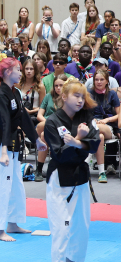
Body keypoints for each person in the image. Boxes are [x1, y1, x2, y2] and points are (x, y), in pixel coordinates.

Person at [0, 53, 45, 241]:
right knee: (1, 187)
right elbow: (4, 122)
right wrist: (4, 151)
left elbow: (23, 117)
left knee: (16, 186)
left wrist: (35, 139)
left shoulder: (15, 92)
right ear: (7, 72)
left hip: (12, 145)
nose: (21, 73)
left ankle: (12, 223)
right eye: (18, 70)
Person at [44, 79, 100, 262]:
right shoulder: (52, 121)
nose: (80, 101)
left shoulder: (86, 117)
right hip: (59, 179)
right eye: (76, 96)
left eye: (82, 97)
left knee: (81, 228)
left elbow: (95, 144)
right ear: (64, 96)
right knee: (61, 229)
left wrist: (75, 141)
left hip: (81, 178)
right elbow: (59, 154)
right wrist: (79, 138)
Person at [35, 73, 70, 182]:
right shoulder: (48, 96)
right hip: (48, 124)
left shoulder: (69, 98)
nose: (58, 88)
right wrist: (49, 122)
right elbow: (39, 115)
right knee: (43, 132)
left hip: (63, 128)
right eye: (56, 86)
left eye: (61, 85)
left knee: (44, 134)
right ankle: (39, 170)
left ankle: (47, 167)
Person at [88, 69, 120, 183]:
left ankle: (88, 158)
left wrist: (107, 119)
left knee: (99, 129)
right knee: (99, 137)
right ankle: (102, 172)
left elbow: (119, 114)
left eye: (102, 79)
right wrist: (92, 119)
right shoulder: (89, 93)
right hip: (93, 125)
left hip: (108, 126)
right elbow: (84, 112)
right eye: (96, 79)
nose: (99, 82)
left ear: (107, 81)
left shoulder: (112, 94)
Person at [16, 58, 46, 123]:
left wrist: (30, 111)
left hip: (33, 116)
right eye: (26, 69)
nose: (29, 71)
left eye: (31, 69)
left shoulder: (40, 86)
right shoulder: (19, 84)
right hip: (19, 115)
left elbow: (43, 107)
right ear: (23, 70)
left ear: (35, 71)